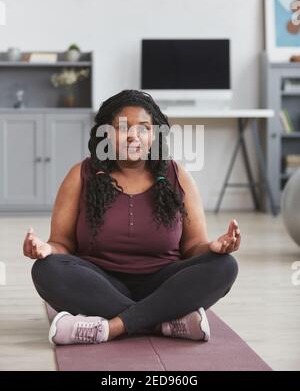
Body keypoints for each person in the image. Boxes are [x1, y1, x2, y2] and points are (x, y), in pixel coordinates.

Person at [23, 89, 240, 346]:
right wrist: (46, 249)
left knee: (224, 266)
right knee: (47, 269)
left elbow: (193, 247)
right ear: (106, 133)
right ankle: (164, 322)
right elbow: (63, 244)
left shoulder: (177, 176)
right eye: (122, 127)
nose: (133, 136)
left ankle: (112, 326)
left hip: (163, 282)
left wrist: (213, 248)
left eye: (144, 128)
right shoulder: (80, 175)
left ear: (155, 135)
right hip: (100, 284)